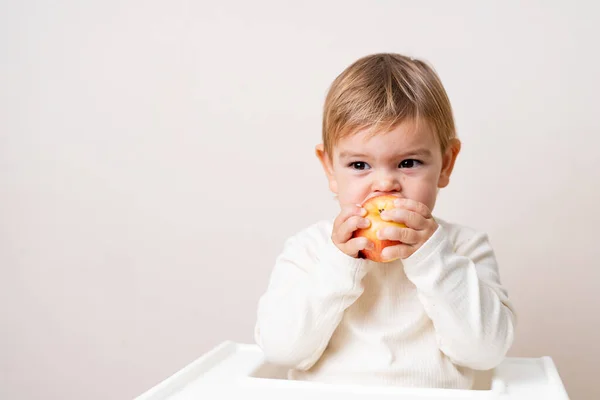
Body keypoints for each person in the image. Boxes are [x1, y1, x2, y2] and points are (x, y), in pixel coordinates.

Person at [253, 53, 516, 389]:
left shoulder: (463, 248)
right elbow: (281, 350)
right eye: (360, 166)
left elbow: (486, 352)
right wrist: (339, 264)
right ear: (330, 169)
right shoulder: (311, 250)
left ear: (446, 164)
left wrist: (434, 258)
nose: (385, 185)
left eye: (408, 162)